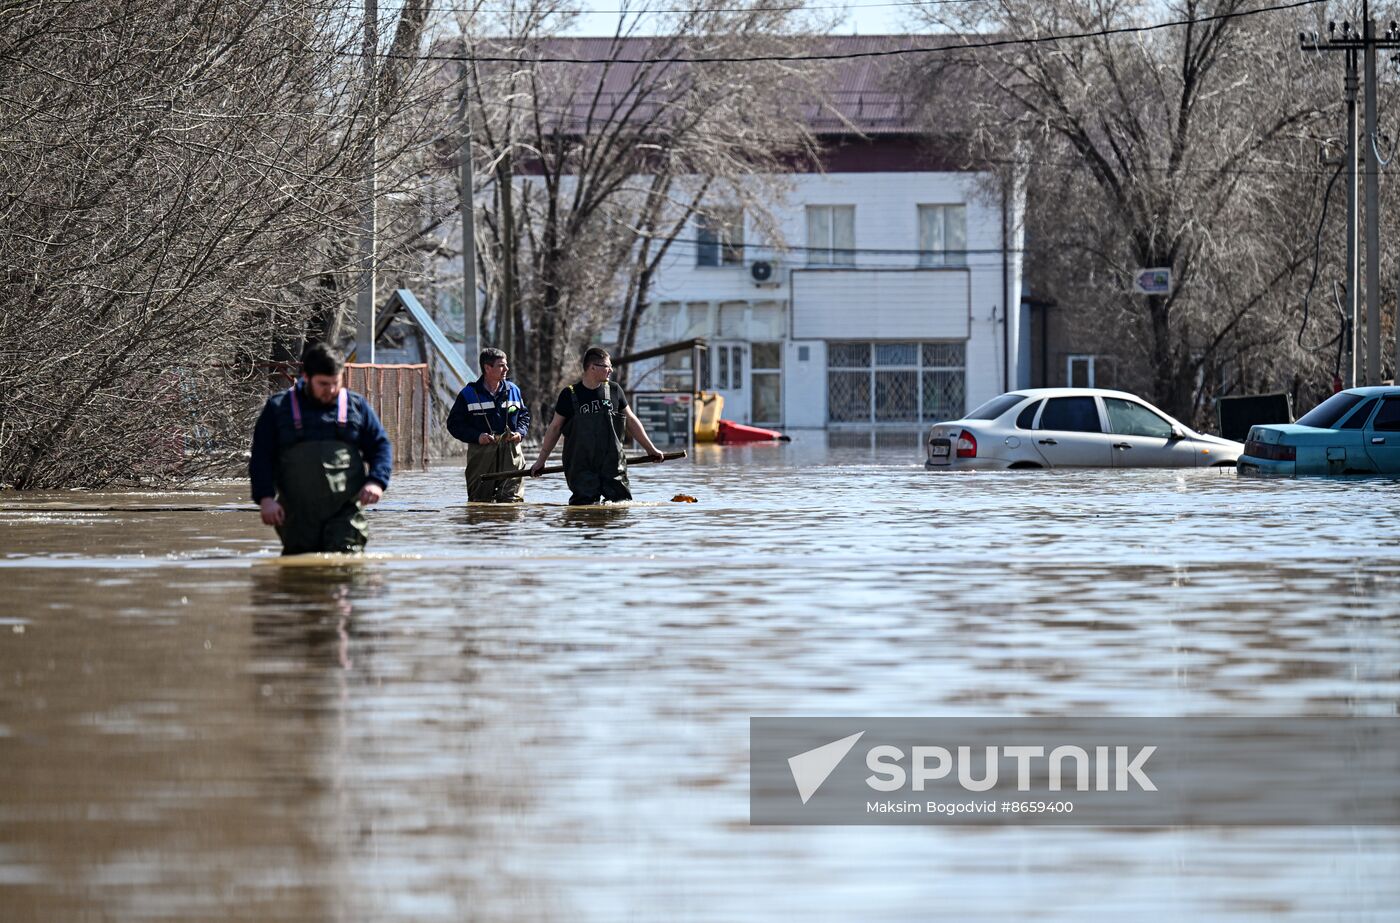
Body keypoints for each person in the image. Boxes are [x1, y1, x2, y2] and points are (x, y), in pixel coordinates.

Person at [249, 342, 392, 554]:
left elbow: (381, 446)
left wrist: (376, 482)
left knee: (345, 567)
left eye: (336, 382)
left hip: (345, 513)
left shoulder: (356, 406)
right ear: (306, 377)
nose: (331, 390)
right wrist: (266, 499)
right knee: (299, 573)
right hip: (296, 515)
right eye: (323, 384)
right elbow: (261, 457)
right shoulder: (278, 408)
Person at [530, 347, 665, 504]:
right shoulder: (569, 394)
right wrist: (541, 460)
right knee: (583, 508)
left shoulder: (615, 390)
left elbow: (631, 421)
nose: (611, 370)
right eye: (607, 366)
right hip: (581, 466)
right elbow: (554, 429)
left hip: (613, 464)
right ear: (593, 367)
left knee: (621, 506)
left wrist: (650, 449)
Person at [446, 347, 531, 502]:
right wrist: (477, 437)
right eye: (501, 365)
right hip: (481, 456)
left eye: (506, 365)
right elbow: (454, 424)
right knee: (479, 501)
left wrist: (519, 433)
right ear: (487, 368)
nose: (506, 369)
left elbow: (524, 417)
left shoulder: (513, 390)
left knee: (512, 502)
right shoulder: (468, 394)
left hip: (511, 456)